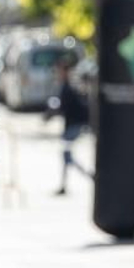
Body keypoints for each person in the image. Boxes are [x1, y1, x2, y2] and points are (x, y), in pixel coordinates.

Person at [49, 59, 92, 195]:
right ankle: (65, 184)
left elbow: (68, 106)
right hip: (71, 124)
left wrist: (52, 112)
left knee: (67, 156)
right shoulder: (68, 85)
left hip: (73, 125)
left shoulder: (70, 86)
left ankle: (89, 175)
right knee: (66, 156)